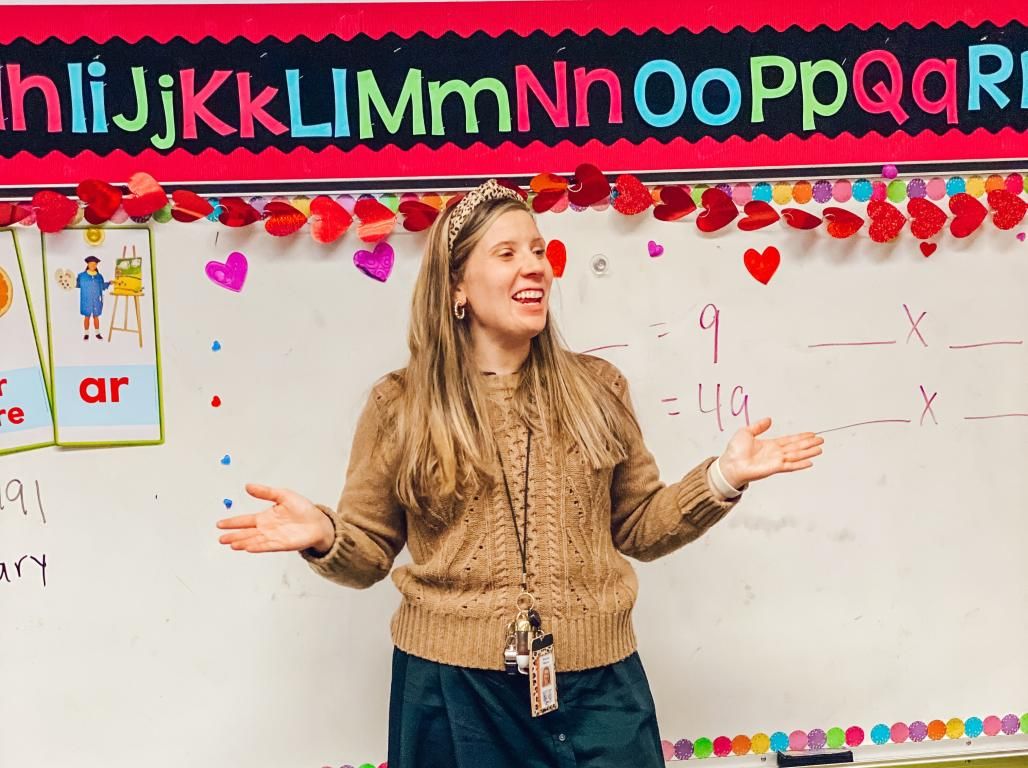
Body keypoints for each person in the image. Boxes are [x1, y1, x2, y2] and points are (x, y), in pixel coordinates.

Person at [216, 179, 824, 767]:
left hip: (599, 688)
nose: (534, 266)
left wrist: (721, 477)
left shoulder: (598, 389)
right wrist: (324, 535)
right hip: (453, 696)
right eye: (506, 253)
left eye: (537, 250)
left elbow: (639, 527)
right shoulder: (401, 404)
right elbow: (369, 553)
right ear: (458, 285)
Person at [76, 255, 111, 341]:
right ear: (88, 264)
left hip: (96, 299)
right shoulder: (81, 276)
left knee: (96, 316)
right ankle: (86, 333)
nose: (93, 266)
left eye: (95, 264)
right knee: (86, 316)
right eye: (91, 264)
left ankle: (97, 333)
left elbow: (102, 286)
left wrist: (110, 283)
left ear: (96, 265)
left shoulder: (99, 276)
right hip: (86, 299)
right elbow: (77, 284)